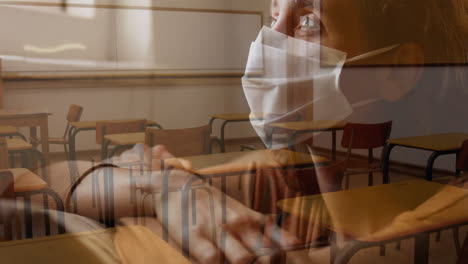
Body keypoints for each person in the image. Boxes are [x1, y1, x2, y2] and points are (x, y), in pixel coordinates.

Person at [3, 1, 467, 264]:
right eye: (272, 18)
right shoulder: (285, 171)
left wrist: (143, 189)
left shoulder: (423, 233)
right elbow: (57, 178)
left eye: (308, 23)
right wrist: (172, 189)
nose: (268, 47)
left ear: (395, 71)